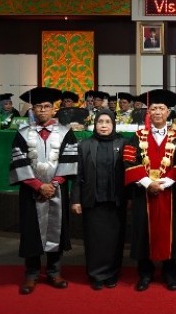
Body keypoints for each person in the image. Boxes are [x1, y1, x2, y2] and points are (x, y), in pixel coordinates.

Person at [8, 86, 79, 295]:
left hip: (57, 190)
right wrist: (38, 185)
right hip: (31, 191)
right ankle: (31, 274)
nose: (42, 110)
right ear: (33, 109)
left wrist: (54, 184)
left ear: (54, 108)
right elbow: (18, 162)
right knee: (31, 230)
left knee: (57, 229)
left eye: (47, 106)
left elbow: (70, 160)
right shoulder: (22, 134)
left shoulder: (66, 133)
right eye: (38, 106)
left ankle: (54, 271)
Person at [123, 89, 176, 291]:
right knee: (143, 231)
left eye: (161, 108)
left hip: (169, 192)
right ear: (148, 112)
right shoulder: (136, 137)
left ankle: (170, 272)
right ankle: (145, 273)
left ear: (168, 112)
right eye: (154, 108)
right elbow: (129, 161)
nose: (157, 112)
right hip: (143, 192)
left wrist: (164, 183)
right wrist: (147, 182)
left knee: (170, 232)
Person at [70, 109, 128, 290]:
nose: (103, 126)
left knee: (114, 240)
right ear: (95, 125)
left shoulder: (123, 143)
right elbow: (78, 175)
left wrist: (131, 198)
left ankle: (112, 273)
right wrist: (75, 199)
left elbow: (130, 172)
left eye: (107, 122)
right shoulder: (85, 145)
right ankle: (95, 274)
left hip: (116, 201)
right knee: (94, 241)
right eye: (100, 122)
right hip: (92, 201)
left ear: (113, 125)